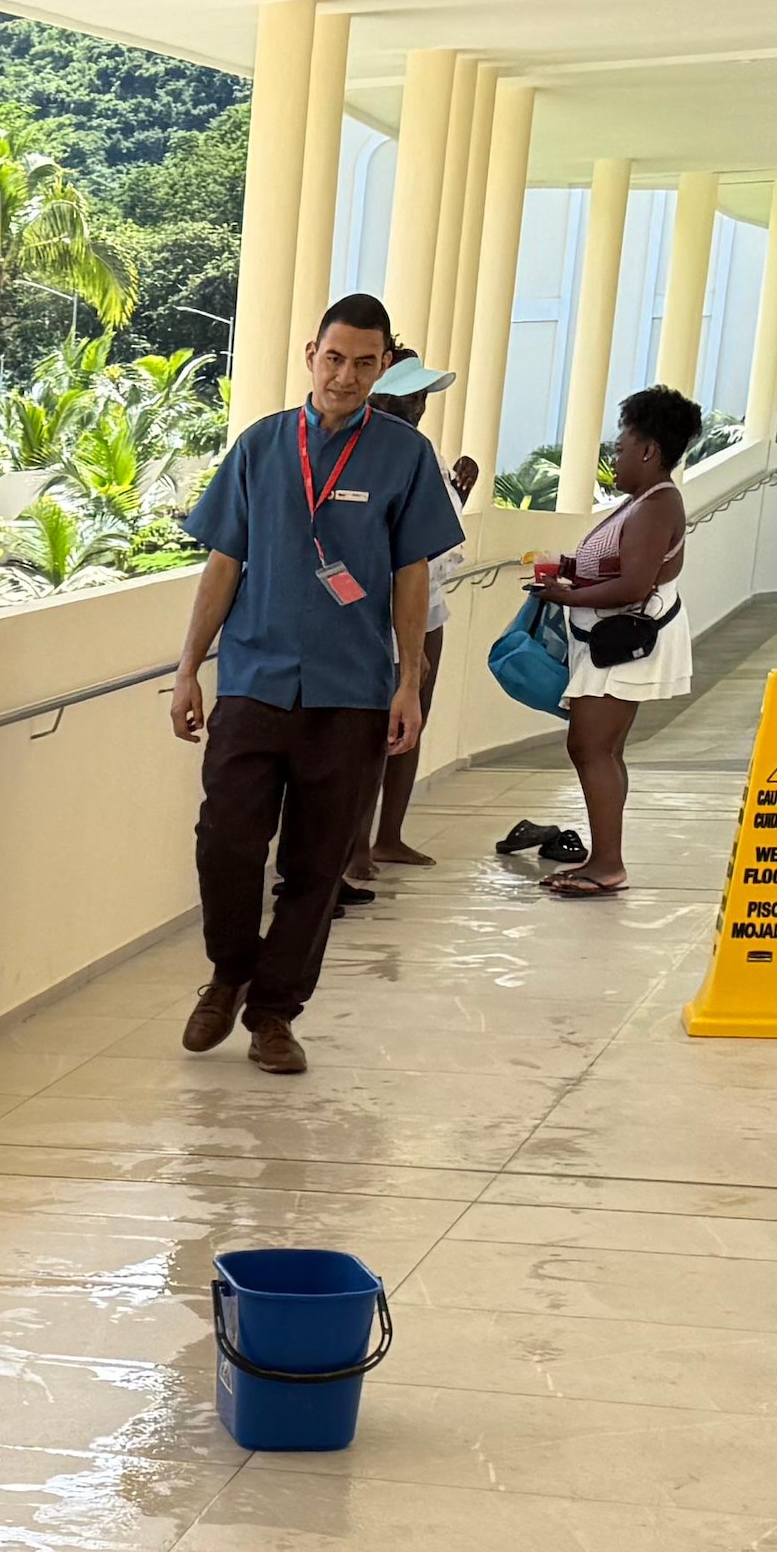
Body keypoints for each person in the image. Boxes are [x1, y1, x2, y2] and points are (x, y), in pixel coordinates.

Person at [169, 290, 468, 1071]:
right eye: (334, 358)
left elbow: (411, 574)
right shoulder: (262, 446)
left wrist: (410, 682)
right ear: (311, 355)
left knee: (317, 863)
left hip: (352, 691)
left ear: (384, 367)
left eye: (364, 364)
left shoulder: (404, 457)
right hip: (255, 679)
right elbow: (223, 563)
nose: (345, 376)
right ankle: (229, 972)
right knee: (225, 843)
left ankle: (274, 1013)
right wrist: (188, 669)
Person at [521, 383, 697, 896]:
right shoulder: (640, 502)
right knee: (603, 749)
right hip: (609, 642)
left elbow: (634, 585)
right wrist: (568, 568)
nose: (614, 458)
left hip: (621, 644)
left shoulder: (657, 505)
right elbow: (617, 565)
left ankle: (607, 865)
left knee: (590, 746)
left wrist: (565, 595)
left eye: (621, 447)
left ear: (649, 451)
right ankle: (604, 857)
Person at [343, 352, 470, 896]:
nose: (419, 405)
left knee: (409, 725)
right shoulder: (359, 449)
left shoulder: (421, 451)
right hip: (380, 610)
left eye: (421, 396)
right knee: (369, 734)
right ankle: (354, 846)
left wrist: (460, 493)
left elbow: (438, 533)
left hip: (429, 604)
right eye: (409, 395)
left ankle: (388, 835)